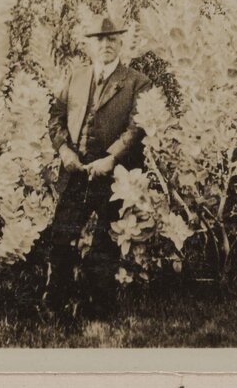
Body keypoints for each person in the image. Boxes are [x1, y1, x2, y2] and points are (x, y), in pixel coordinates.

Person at [42, 16, 153, 321]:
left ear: (120, 43)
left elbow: (136, 127)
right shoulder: (75, 78)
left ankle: (99, 308)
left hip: (113, 175)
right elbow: (56, 116)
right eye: (100, 40)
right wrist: (64, 149)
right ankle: (56, 304)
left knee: (105, 242)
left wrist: (112, 158)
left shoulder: (136, 82)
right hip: (75, 169)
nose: (105, 45)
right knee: (62, 237)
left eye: (112, 40)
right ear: (90, 45)